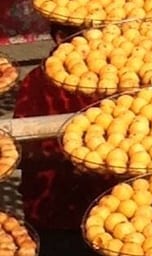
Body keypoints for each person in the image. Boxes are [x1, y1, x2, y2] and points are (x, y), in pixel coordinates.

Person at [16, 26, 111, 256]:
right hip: (57, 213)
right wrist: (72, 157)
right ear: (61, 38)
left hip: (110, 213)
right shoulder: (38, 84)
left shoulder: (112, 76)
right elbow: (23, 148)